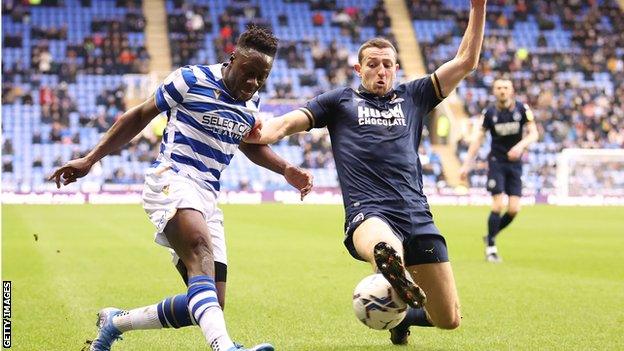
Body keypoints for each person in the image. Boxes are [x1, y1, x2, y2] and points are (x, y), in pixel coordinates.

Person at [49, 26, 312, 351]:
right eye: (248, 73)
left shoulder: (252, 101)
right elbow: (140, 115)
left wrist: (286, 168)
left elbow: (248, 142)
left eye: (262, 76)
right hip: (172, 179)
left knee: (207, 304)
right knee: (201, 252)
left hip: (208, 195)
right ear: (232, 59)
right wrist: (90, 159)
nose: (253, 83)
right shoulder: (190, 79)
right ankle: (225, 348)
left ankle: (115, 322)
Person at [244, 0, 487, 345]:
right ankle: (393, 275)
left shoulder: (415, 96)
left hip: (417, 213)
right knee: (385, 248)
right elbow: (285, 124)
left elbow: (466, 62)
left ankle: (399, 314)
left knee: (448, 319)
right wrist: (259, 131)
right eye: (373, 65)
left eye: (387, 65)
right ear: (359, 69)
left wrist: (478, 7)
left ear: (396, 68)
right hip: (369, 212)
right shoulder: (339, 102)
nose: (381, 71)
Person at [459, 78, 539, 263]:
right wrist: (466, 164)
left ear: (511, 91)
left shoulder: (522, 109)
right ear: (494, 91)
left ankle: (490, 235)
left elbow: (534, 133)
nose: (502, 91)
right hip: (496, 161)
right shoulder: (489, 113)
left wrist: (520, 146)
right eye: (499, 88)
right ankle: (491, 248)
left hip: (515, 163)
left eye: (505, 88)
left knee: (514, 209)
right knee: (497, 205)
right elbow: (478, 140)